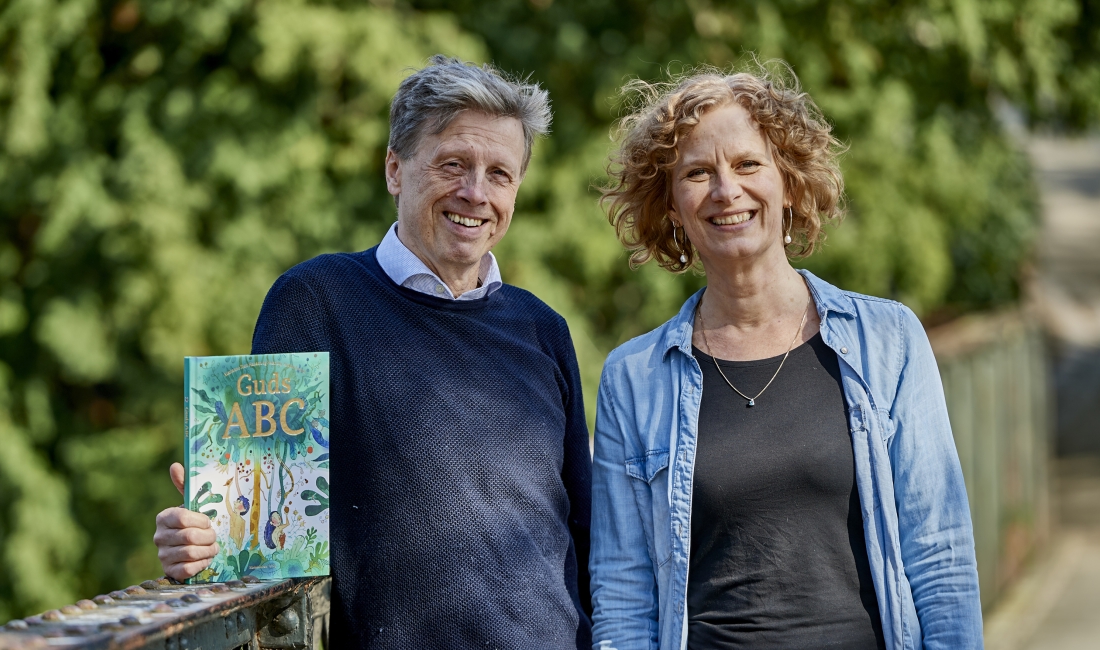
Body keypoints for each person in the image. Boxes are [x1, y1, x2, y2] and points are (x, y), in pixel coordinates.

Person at [154, 55, 593, 649]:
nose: (475, 192)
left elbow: (586, 535)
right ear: (394, 169)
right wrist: (202, 546)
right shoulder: (314, 301)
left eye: (500, 174)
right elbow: (252, 537)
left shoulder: (544, 328)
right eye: (453, 165)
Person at [590, 66, 982, 650]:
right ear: (671, 206)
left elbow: (940, 555)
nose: (727, 191)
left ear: (790, 183)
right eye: (698, 173)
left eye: (748, 165)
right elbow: (623, 595)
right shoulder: (633, 378)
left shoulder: (889, 341)